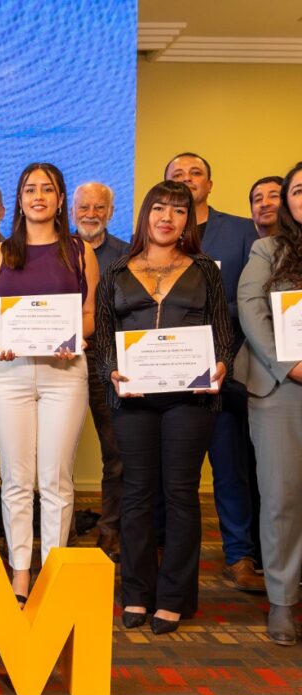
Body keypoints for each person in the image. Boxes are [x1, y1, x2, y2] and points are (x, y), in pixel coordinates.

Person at [95, 180, 233, 635]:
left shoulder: (205, 270)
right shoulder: (117, 270)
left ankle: (173, 597)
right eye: (159, 208)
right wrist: (111, 371)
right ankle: (136, 592)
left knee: (180, 493)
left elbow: (222, 332)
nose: (167, 217)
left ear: (188, 220)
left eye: (178, 210)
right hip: (132, 397)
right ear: (145, 214)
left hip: (190, 399)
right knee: (136, 494)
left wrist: (221, 364)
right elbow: (104, 338)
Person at [0, 162, 99, 602]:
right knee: (16, 478)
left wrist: (75, 336)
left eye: (48, 189)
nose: (39, 196)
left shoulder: (81, 251)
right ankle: (21, 572)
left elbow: (89, 315)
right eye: (30, 189)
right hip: (10, 373)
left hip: (64, 373)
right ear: (20, 199)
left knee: (55, 479)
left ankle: (53, 572)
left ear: (61, 199)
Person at [164, 153, 263, 592]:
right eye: (177, 176)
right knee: (170, 473)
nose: (187, 180)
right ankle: (164, 551)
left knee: (230, 468)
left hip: (225, 371)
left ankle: (239, 556)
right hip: (168, 373)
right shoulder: (156, 234)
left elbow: (254, 300)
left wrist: (209, 318)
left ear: (210, 183)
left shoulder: (241, 232)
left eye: (195, 173)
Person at [236, 161, 302, 645]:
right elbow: (251, 309)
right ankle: (283, 600)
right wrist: (290, 364)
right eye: (298, 191)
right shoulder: (268, 249)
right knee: (282, 497)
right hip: (283, 388)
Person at [71, 181, 129, 560]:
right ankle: (62, 531)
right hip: (64, 360)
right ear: (71, 211)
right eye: (84, 207)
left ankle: (111, 532)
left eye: (99, 208)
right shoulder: (54, 251)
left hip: (111, 364)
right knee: (55, 453)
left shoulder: (128, 255)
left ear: (110, 212)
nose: (91, 214)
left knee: (117, 453)